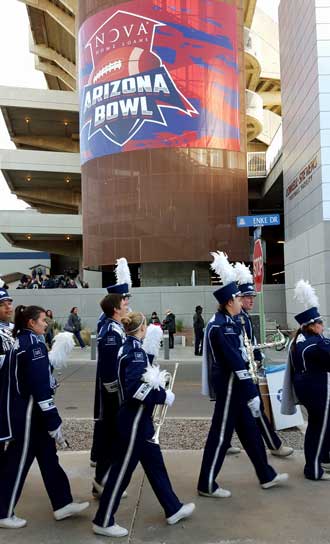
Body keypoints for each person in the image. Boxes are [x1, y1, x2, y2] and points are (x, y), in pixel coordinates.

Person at [93, 312, 195, 537]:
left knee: (155, 465)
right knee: (121, 473)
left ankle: (173, 508)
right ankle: (103, 519)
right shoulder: (135, 352)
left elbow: (138, 377)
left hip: (138, 421)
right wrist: (162, 395)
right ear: (142, 329)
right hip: (134, 421)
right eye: (146, 326)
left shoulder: (129, 347)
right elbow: (135, 390)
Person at [198, 251, 288, 498]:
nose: (242, 300)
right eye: (238, 297)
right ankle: (206, 482)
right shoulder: (222, 326)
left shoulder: (230, 322)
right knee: (219, 436)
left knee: (249, 431)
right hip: (230, 386)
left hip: (235, 387)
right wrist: (252, 393)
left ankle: (265, 474)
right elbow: (236, 362)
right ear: (229, 302)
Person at [0, 305, 89, 529]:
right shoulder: (33, 345)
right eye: (42, 320)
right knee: (17, 463)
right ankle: (3, 512)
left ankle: (62, 503)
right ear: (31, 323)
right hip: (29, 414)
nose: (46, 323)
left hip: (28, 412)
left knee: (49, 458)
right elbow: (40, 387)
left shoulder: (22, 341)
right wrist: (54, 419)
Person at [234, 263, 293, 458]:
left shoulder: (244, 317)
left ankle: (223, 442)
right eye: (247, 297)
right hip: (241, 374)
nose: (251, 300)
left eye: (252, 297)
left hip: (244, 372)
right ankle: (274, 445)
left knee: (230, 414)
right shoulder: (238, 319)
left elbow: (251, 342)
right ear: (238, 298)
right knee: (255, 408)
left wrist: (258, 358)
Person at [282, 279, 330, 481]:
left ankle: (323, 458)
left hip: (308, 389)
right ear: (311, 326)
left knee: (319, 426)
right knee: (319, 426)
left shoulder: (299, 342)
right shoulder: (314, 344)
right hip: (318, 390)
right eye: (320, 323)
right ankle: (314, 468)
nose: (323, 325)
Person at [92, 286, 130, 497]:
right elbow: (109, 373)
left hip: (116, 396)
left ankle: (102, 482)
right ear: (116, 309)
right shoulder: (110, 333)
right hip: (112, 398)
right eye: (124, 305)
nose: (127, 307)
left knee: (111, 439)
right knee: (111, 439)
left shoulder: (115, 328)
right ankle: (103, 481)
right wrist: (118, 399)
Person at [0, 286, 14, 463]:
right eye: (3, 304)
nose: (9, 307)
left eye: (9, 303)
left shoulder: (14, 328)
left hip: (11, 392)